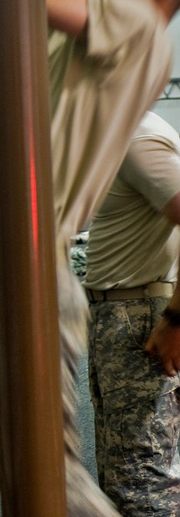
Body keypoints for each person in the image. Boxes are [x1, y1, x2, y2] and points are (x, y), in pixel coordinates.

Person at [0, 0, 180, 516]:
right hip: (13, 259)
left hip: (33, 263)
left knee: (47, 472)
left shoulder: (138, 23)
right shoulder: (86, 37)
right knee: (27, 465)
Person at [85, 111, 180, 516]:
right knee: (125, 475)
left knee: (141, 482)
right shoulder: (124, 132)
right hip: (123, 312)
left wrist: (177, 319)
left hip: (138, 314)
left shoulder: (137, 138)